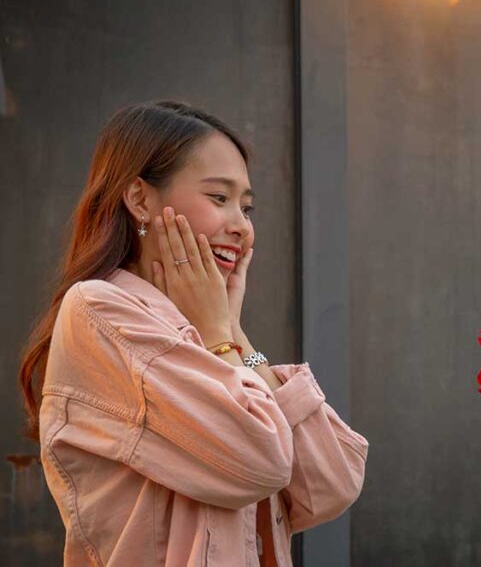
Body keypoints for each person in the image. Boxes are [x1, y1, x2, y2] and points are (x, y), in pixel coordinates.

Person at [18, 101, 368, 565]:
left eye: (247, 207)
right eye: (219, 199)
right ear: (140, 199)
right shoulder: (100, 311)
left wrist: (236, 336)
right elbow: (260, 461)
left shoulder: (207, 333)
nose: (241, 227)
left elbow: (333, 485)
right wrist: (219, 336)